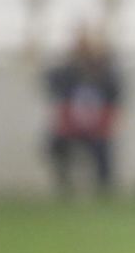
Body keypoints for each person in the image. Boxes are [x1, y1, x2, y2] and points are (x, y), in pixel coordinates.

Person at [44, 28, 122, 196]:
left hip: (97, 129)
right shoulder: (67, 72)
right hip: (71, 127)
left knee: (103, 150)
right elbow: (51, 83)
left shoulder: (105, 72)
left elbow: (115, 95)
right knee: (56, 145)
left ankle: (104, 189)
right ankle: (65, 186)